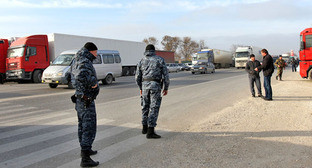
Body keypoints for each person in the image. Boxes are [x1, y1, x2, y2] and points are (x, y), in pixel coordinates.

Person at [71, 42, 100, 167]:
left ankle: (86, 149)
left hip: (80, 98)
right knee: (88, 127)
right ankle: (85, 159)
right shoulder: (84, 61)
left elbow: (71, 75)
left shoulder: (76, 59)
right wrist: (93, 83)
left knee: (82, 126)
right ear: (91, 51)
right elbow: (79, 76)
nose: (96, 54)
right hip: (86, 99)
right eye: (95, 52)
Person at [135, 44, 170, 139]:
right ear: (154, 51)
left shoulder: (141, 61)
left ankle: (144, 128)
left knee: (145, 106)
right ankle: (150, 131)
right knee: (154, 107)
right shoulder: (160, 60)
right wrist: (166, 88)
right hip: (155, 85)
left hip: (144, 85)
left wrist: (141, 88)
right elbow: (166, 75)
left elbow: (137, 77)